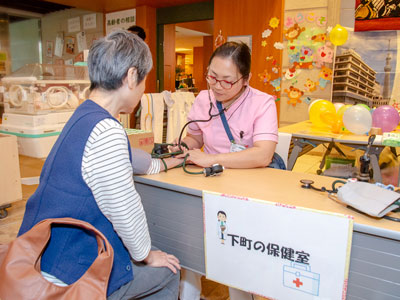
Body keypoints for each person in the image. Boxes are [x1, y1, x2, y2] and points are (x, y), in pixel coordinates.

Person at [18, 30, 182, 300]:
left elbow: (132, 161)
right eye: (143, 81)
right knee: (168, 270)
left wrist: (163, 164)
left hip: (41, 255)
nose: (143, 90)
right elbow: (124, 209)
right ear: (131, 76)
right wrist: (147, 255)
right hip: (66, 273)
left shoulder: (84, 116)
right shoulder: (107, 131)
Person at [171, 42, 279, 300]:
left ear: (246, 79)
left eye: (227, 81)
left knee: (236, 256)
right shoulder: (203, 99)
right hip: (211, 182)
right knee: (191, 244)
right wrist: (184, 146)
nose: (217, 86)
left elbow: (263, 154)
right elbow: (195, 137)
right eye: (212, 77)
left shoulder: (262, 103)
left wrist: (211, 159)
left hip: (247, 188)